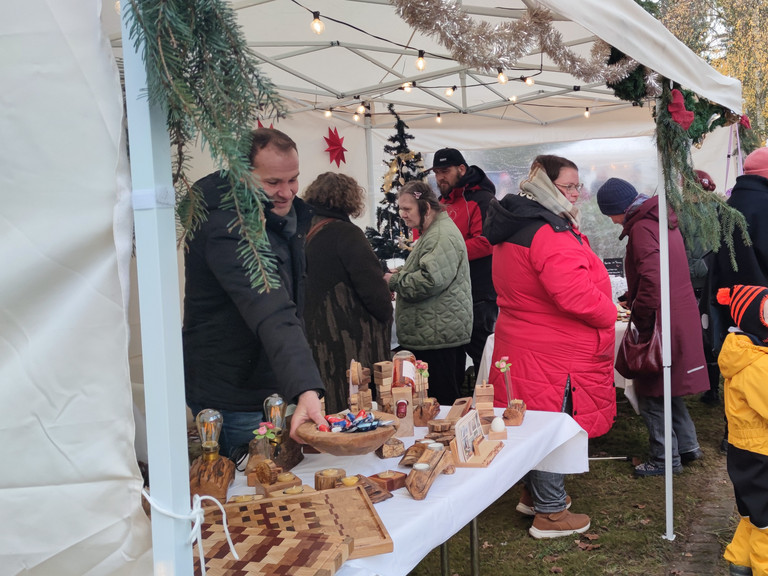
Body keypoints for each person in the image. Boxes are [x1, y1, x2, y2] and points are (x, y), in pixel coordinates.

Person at [484, 155, 616, 539]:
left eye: (578, 186)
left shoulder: (521, 223)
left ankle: (534, 495)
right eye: (569, 186)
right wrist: (609, 312)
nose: (577, 193)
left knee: (535, 421)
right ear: (545, 184)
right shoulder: (546, 231)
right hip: (555, 350)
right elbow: (574, 294)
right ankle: (551, 513)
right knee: (556, 425)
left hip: (528, 341)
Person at [183, 128, 325, 458]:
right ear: (241, 175)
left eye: (293, 180)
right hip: (232, 391)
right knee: (246, 492)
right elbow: (271, 308)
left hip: (266, 382)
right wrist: (305, 385)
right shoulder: (229, 227)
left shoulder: (283, 218)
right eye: (273, 182)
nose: (287, 192)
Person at [597, 177, 708, 477]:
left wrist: (641, 316)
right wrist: (630, 296)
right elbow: (658, 273)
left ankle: (664, 459)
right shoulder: (660, 220)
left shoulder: (643, 228)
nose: (613, 222)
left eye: (611, 216)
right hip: (676, 314)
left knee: (651, 389)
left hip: (660, 318)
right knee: (667, 386)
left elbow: (653, 280)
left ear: (619, 210)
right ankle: (687, 446)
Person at [302, 172, 393, 414]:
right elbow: (375, 295)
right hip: (347, 342)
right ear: (350, 199)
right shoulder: (346, 234)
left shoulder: (302, 231)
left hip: (313, 335)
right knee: (354, 408)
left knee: (326, 410)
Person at [385, 181, 472, 405]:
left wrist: (394, 280)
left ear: (426, 206)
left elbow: (430, 280)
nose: (402, 214)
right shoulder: (434, 232)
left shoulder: (440, 236)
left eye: (407, 209)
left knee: (439, 405)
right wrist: (403, 272)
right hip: (434, 333)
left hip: (437, 339)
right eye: (400, 209)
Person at [431, 148, 497, 383]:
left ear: (461, 169)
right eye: (437, 172)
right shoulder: (439, 203)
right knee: (452, 358)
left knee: (484, 356)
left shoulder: (482, 199)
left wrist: (445, 252)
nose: (440, 177)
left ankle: (494, 408)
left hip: (479, 295)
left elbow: (487, 242)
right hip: (448, 296)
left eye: (445, 171)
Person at [715, 284, 768, 576]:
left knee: (753, 514)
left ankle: (740, 562)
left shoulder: (743, 353)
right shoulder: (757, 365)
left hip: (745, 451)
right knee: (766, 521)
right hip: (762, 453)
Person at [682, 170, 721, 403]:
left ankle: (708, 387)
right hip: (709, 283)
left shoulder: (685, 213)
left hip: (697, 284)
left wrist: (697, 269)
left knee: (702, 336)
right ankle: (710, 388)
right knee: (709, 334)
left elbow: (686, 252)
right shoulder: (716, 209)